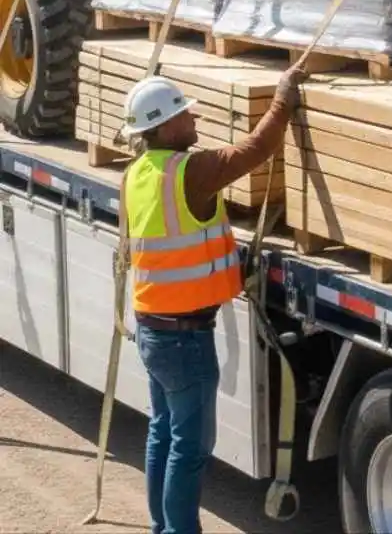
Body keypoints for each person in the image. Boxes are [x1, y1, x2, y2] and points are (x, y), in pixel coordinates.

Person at [121, 63, 306, 534]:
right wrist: (283, 95)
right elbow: (257, 149)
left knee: (163, 432)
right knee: (191, 445)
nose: (194, 121)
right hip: (184, 339)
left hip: (152, 328)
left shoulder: (138, 173)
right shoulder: (190, 171)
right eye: (185, 115)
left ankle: (163, 526)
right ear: (163, 126)